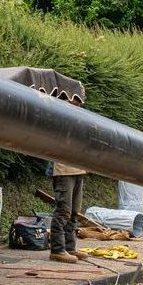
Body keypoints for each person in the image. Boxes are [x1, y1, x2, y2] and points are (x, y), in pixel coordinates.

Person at [49, 96, 87, 264]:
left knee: (74, 212)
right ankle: (57, 250)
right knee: (63, 210)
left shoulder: (79, 116)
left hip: (78, 168)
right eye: (76, 98)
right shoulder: (58, 114)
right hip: (63, 169)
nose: (80, 102)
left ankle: (70, 247)